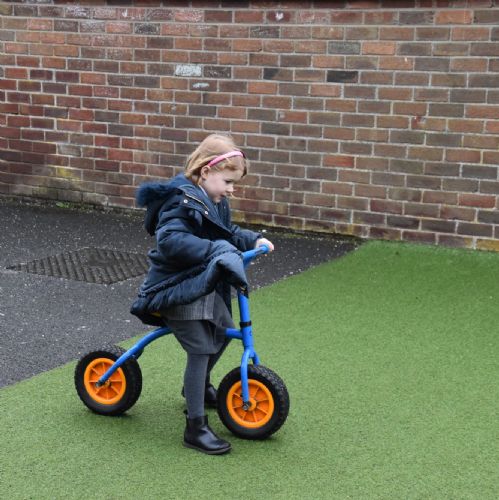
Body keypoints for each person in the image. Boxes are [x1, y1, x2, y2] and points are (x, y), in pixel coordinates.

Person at [131, 134, 274, 455]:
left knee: (223, 332)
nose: (232, 189)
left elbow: (229, 234)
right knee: (200, 346)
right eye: (228, 181)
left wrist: (253, 240)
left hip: (199, 284)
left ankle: (195, 386)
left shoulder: (216, 202)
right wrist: (215, 250)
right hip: (173, 288)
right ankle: (195, 427)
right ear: (206, 171)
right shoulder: (180, 202)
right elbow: (170, 241)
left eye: (235, 183)